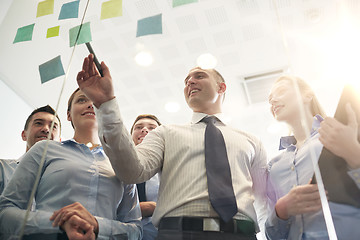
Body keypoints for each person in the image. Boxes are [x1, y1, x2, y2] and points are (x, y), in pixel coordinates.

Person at [75, 54, 268, 240]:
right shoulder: (165, 133)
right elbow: (133, 172)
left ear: (221, 87)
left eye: (199, 76)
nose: (190, 82)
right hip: (177, 233)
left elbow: (264, 199)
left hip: (242, 233)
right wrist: (106, 104)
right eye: (186, 80)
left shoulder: (252, 141)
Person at [0, 88, 142, 240]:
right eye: (82, 100)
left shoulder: (121, 162)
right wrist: (59, 223)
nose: (90, 105)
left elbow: (136, 230)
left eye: (96, 102)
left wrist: (97, 225)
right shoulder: (44, 149)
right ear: (68, 115)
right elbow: (5, 212)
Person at [266, 75, 360, 239]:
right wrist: (281, 209)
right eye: (269, 99)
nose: (272, 100)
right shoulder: (274, 166)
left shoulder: (340, 134)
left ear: (307, 95)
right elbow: (272, 235)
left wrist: (353, 152)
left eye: (280, 91)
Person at [0, 105, 61, 194]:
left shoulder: (63, 183)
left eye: (53, 127)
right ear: (24, 135)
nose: (46, 129)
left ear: (59, 141)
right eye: (39, 123)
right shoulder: (2, 169)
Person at [130, 114, 161, 240]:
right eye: (138, 127)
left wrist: (155, 208)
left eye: (152, 128)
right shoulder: (115, 166)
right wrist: (139, 209)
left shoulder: (169, 169)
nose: (144, 130)